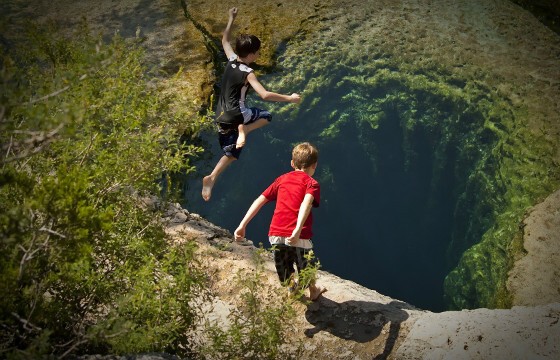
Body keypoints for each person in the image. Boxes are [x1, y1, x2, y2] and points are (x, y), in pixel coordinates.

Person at [202, 7, 301, 201]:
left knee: (231, 152)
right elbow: (264, 95)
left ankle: (212, 177)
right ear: (252, 54)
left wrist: (231, 18)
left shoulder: (231, 60)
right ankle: (244, 130)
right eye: (257, 53)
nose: (258, 56)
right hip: (238, 114)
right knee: (266, 116)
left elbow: (224, 41)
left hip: (221, 116)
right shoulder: (248, 73)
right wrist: (290, 98)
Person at [234, 142, 327, 301]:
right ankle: (312, 290)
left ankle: (292, 289)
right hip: (299, 236)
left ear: (292, 163)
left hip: (275, 233)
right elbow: (306, 204)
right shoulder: (312, 183)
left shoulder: (281, 180)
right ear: (315, 165)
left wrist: (242, 225)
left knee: (284, 266)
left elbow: (260, 200)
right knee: (306, 265)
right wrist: (297, 230)